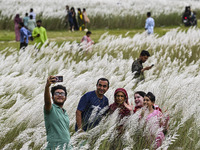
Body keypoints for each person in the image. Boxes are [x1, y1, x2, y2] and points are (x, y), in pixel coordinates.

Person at [44, 76, 71, 149]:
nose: (59, 95)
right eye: (57, 93)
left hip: (67, 147)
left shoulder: (65, 112)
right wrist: (47, 86)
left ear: (65, 98)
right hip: (54, 147)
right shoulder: (50, 109)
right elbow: (47, 102)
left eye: (62, 94)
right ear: (52, 97)